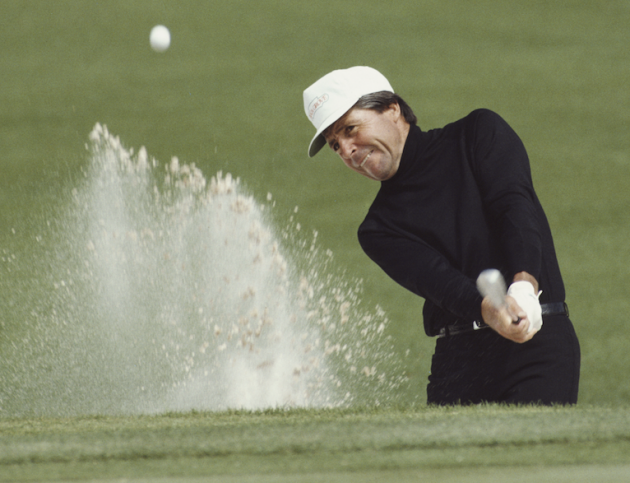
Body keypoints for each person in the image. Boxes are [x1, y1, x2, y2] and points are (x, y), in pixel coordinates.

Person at [302, 66, 580, 405]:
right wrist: (492, 311)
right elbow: (442, 283)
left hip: (538, 343)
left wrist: (524, 287)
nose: (346, 150)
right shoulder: (377, 229)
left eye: (350, 129)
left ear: (392, 110)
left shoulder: (478, 133)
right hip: (459, 363)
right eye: (335, 145)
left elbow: (516, 210)